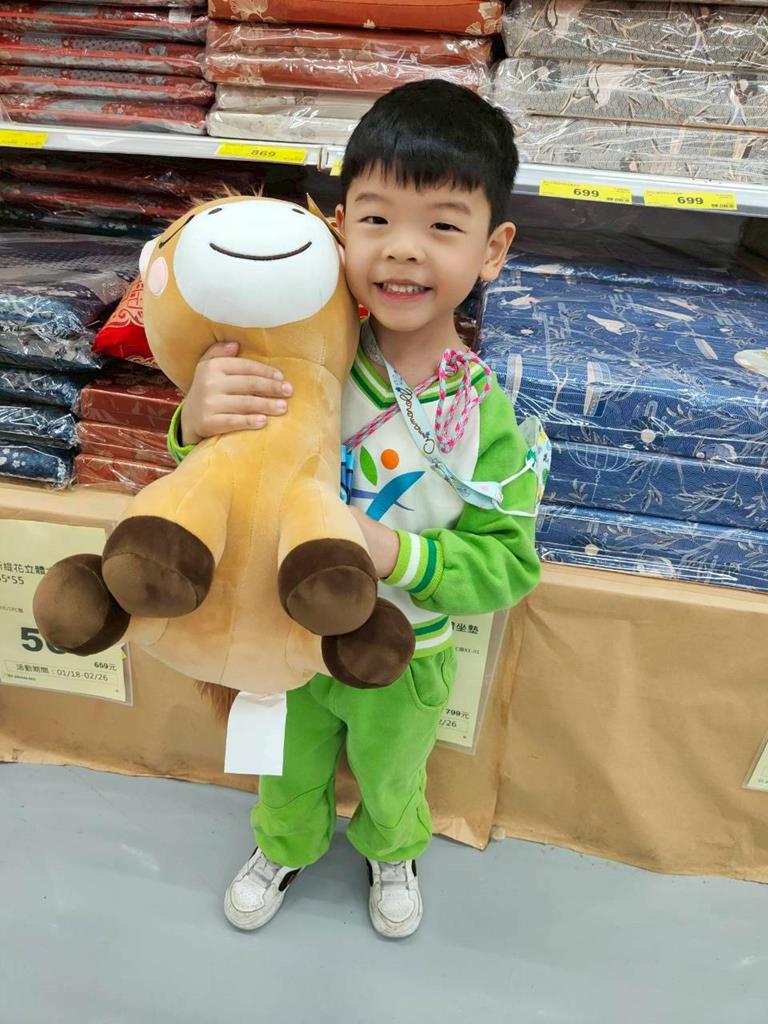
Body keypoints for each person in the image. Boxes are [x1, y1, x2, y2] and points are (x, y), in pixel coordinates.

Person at [168, 80, 542, 939]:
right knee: (286, 767)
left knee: (393, 771)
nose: (403, 250)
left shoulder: (487, 419)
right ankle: (284, 844)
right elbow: (224, 475)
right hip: (289, 633)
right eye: (376, 219)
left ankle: (392, 848)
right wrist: (195, 418)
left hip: (407, 653)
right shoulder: (303, 363)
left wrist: (395, 552)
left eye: (442, 226)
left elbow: (509, 562)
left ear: (493, 249)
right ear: (339, 228)